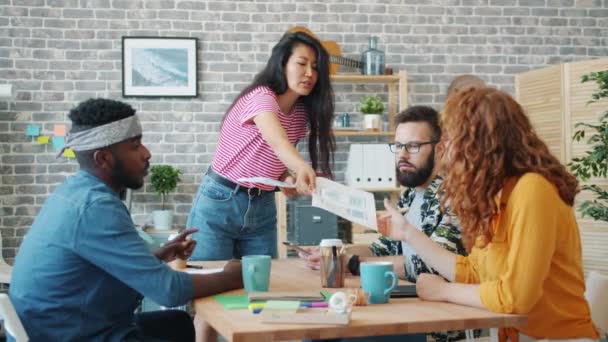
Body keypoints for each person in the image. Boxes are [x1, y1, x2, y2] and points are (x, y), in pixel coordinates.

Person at [9, 98, 243, 342]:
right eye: (135, 146)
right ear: (102, 158)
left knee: (178, 324)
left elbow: (92, 265)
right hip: (70, 334)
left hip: (59, 326)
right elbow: (169, 291)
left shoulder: (74, 192)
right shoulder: (96, 207)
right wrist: (235, 276)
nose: (146, 153)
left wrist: (157, 256)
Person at [381, 88, 599, 341]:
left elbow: (515, 298)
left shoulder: (532, 189)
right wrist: (407, 233)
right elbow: (473, 271)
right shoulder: (498, 194)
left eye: (451, 139)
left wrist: (444, 291)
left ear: (479, 145)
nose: (444, 149)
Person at [301, 106, 469, 342]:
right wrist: (336, 252)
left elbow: (427, 267)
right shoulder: (410, 196)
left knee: (331, 335)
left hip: (434, 325)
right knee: (317, 329)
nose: (402, 155)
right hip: (403, 308)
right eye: (398, 146)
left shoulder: (455, 199)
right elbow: (382, 249)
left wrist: (353, 263)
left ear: (439, 149)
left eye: (413, 146)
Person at [188, 30, 335, 260]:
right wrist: (302, 168)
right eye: (302, 63)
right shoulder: (261, 96)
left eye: (315, 67)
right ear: (282, 63)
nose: (309, 73)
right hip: (221, 200)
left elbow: (274, 156)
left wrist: (286, 177)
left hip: (263, 206)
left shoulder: (300, 114)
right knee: (209, 283)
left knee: (261, 288)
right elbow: (277, 142)